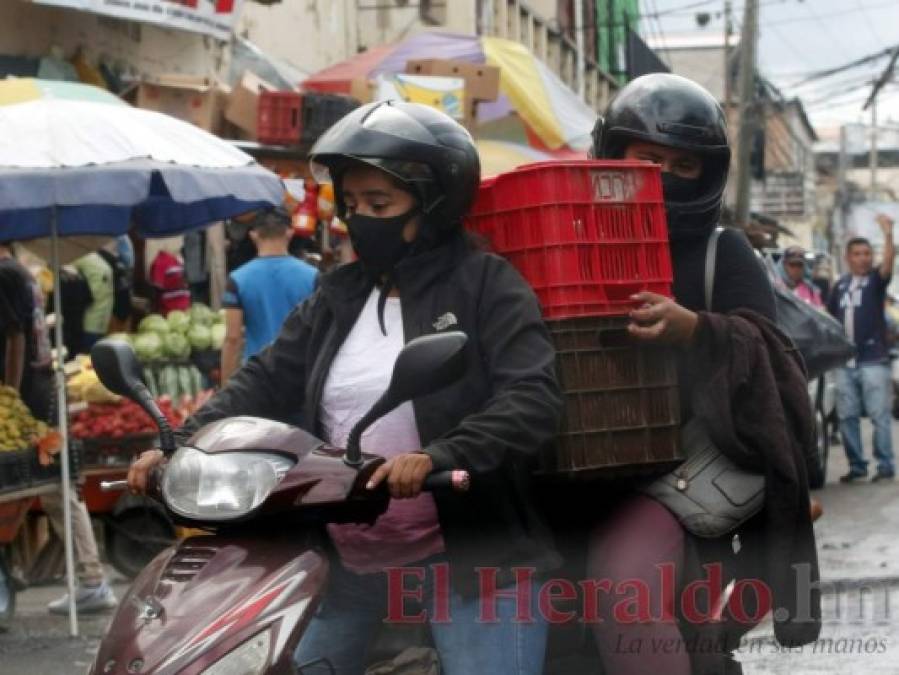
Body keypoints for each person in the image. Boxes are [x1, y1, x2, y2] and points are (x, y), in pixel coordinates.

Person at [126, 101, 563, 675]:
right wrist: (180, 442)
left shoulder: (486, 285)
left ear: (434, 206)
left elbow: (532, 396)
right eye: (352, 205)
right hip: (348, 556)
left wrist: (440, 454)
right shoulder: (340, 294)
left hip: (472, 558)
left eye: (379, 204)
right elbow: (264, 379)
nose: (359, 220)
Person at [587, 73, 820, 675]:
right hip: (570, 470)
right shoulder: (573, 235)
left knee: (625, 591)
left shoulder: (726, 251)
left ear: (705, 174)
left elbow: (770, 354)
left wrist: (694, 329)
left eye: (681, 164)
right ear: (612, 156)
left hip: (676, 474)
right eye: (647, 158)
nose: (662, 175)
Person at [0, 241, 116, 614]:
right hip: (40, 390)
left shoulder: (4, 274)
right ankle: (89, 578)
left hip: (29, 397)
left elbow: (15, 337)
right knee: (53, 487)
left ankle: (93, 579)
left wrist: (9, 396)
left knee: (55, 487)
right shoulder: (20, 273)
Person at [826, 217, 896, 483]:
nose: (864, 259)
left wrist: (888, 235)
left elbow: (888, 263)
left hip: (873, 360)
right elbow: (828, 320)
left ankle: (885, 465)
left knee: (879, 415)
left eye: (867, 254)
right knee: (846, 417)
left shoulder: (876, 283)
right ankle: (857, 466)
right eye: (858, 254)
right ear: (848, 257)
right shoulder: (839, 286)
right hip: (846, 363)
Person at [220, 208, 318, 383]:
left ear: (253, 235)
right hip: (301, 375)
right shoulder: (313, 277)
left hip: (257, 378)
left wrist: (225, 389)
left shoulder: (237, 280)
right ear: (290, 233)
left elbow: (233, 339)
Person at [73, 250, 114, 354]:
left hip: (92, 321)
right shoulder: (96, 259)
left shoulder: (78, 257)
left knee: (89, 350)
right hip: (104, 310)